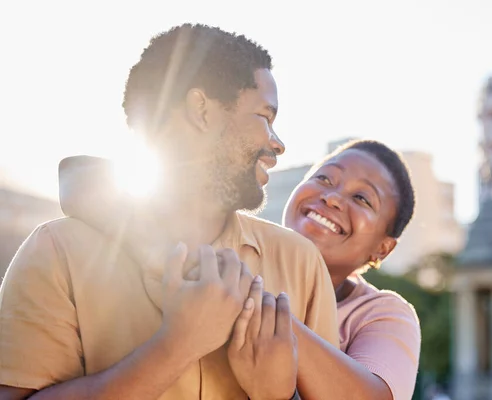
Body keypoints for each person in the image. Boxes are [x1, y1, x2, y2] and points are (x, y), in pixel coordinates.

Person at [0, 23, 338, 400]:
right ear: (201, 110)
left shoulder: (301, 263)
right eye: (265, 117)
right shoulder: (55, 252)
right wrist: (174, 348)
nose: (278, 144)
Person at [230, 139, 421, 399]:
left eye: (361, 198)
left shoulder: (380, 314)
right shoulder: (232, 253)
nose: (332, 198)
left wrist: (253, 306)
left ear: (383, 248)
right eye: (324, 179)